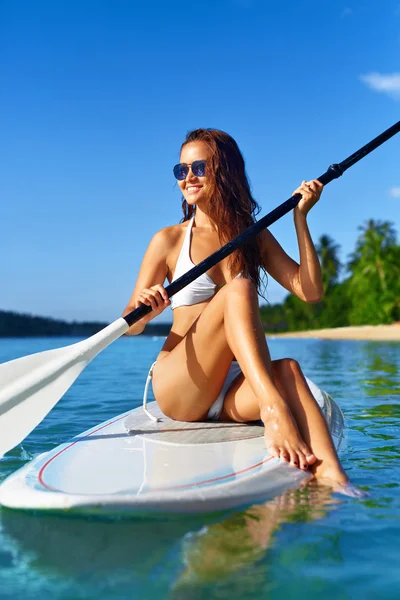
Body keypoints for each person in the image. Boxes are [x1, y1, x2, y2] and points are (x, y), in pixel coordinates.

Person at [122, 128, 351, 490]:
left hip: (232, 387)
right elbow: (130, 325)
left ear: (224, 171)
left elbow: (308, 291)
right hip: (182, 385)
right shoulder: (168, 240)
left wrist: (301, 220)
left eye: (198, 167)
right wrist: (146, 308)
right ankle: (273, 410)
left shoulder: (252, 234)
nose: (188, 178)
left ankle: (336, 483)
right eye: (181, 171)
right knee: (238, 288)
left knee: (290, 370)